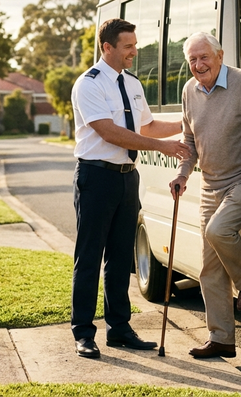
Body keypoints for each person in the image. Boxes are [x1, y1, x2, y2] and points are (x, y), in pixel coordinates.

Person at [70, 18, 191, 359]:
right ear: (106, 47)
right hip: (96, 178)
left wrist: (190, 120)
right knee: (90, 257)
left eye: (135, 46)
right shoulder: (89, 85)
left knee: (121, 257)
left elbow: (148, 126)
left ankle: (119, 329)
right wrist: (164, 148)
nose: (134, 52)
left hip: (127, 177)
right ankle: (83, 332)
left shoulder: (133, 84)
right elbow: (109, 132)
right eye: (127, 47)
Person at [168, 32, 241, 359]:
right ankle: (221, 337)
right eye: (192, 59)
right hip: (210, 183)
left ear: (220, 55)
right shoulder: (189, 91)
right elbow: (189, 140)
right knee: (209, 268)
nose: (198, 65)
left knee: (218, 230)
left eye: (203, 57)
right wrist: (182, 173)